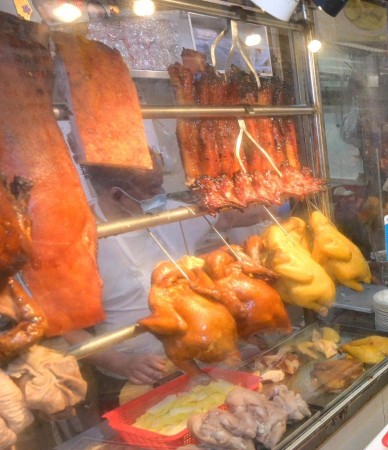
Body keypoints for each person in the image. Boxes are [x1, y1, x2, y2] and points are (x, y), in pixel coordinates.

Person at [65, 153, 265, 410]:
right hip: (136, 375)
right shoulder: (80, 241)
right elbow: (68, 329)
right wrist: (120, 363)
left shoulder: (170, 213)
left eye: (161, 183)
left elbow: (230, 218)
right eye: (152, 189)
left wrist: (268, 197)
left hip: (200, 356)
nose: (162, 193)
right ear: (117, 195)